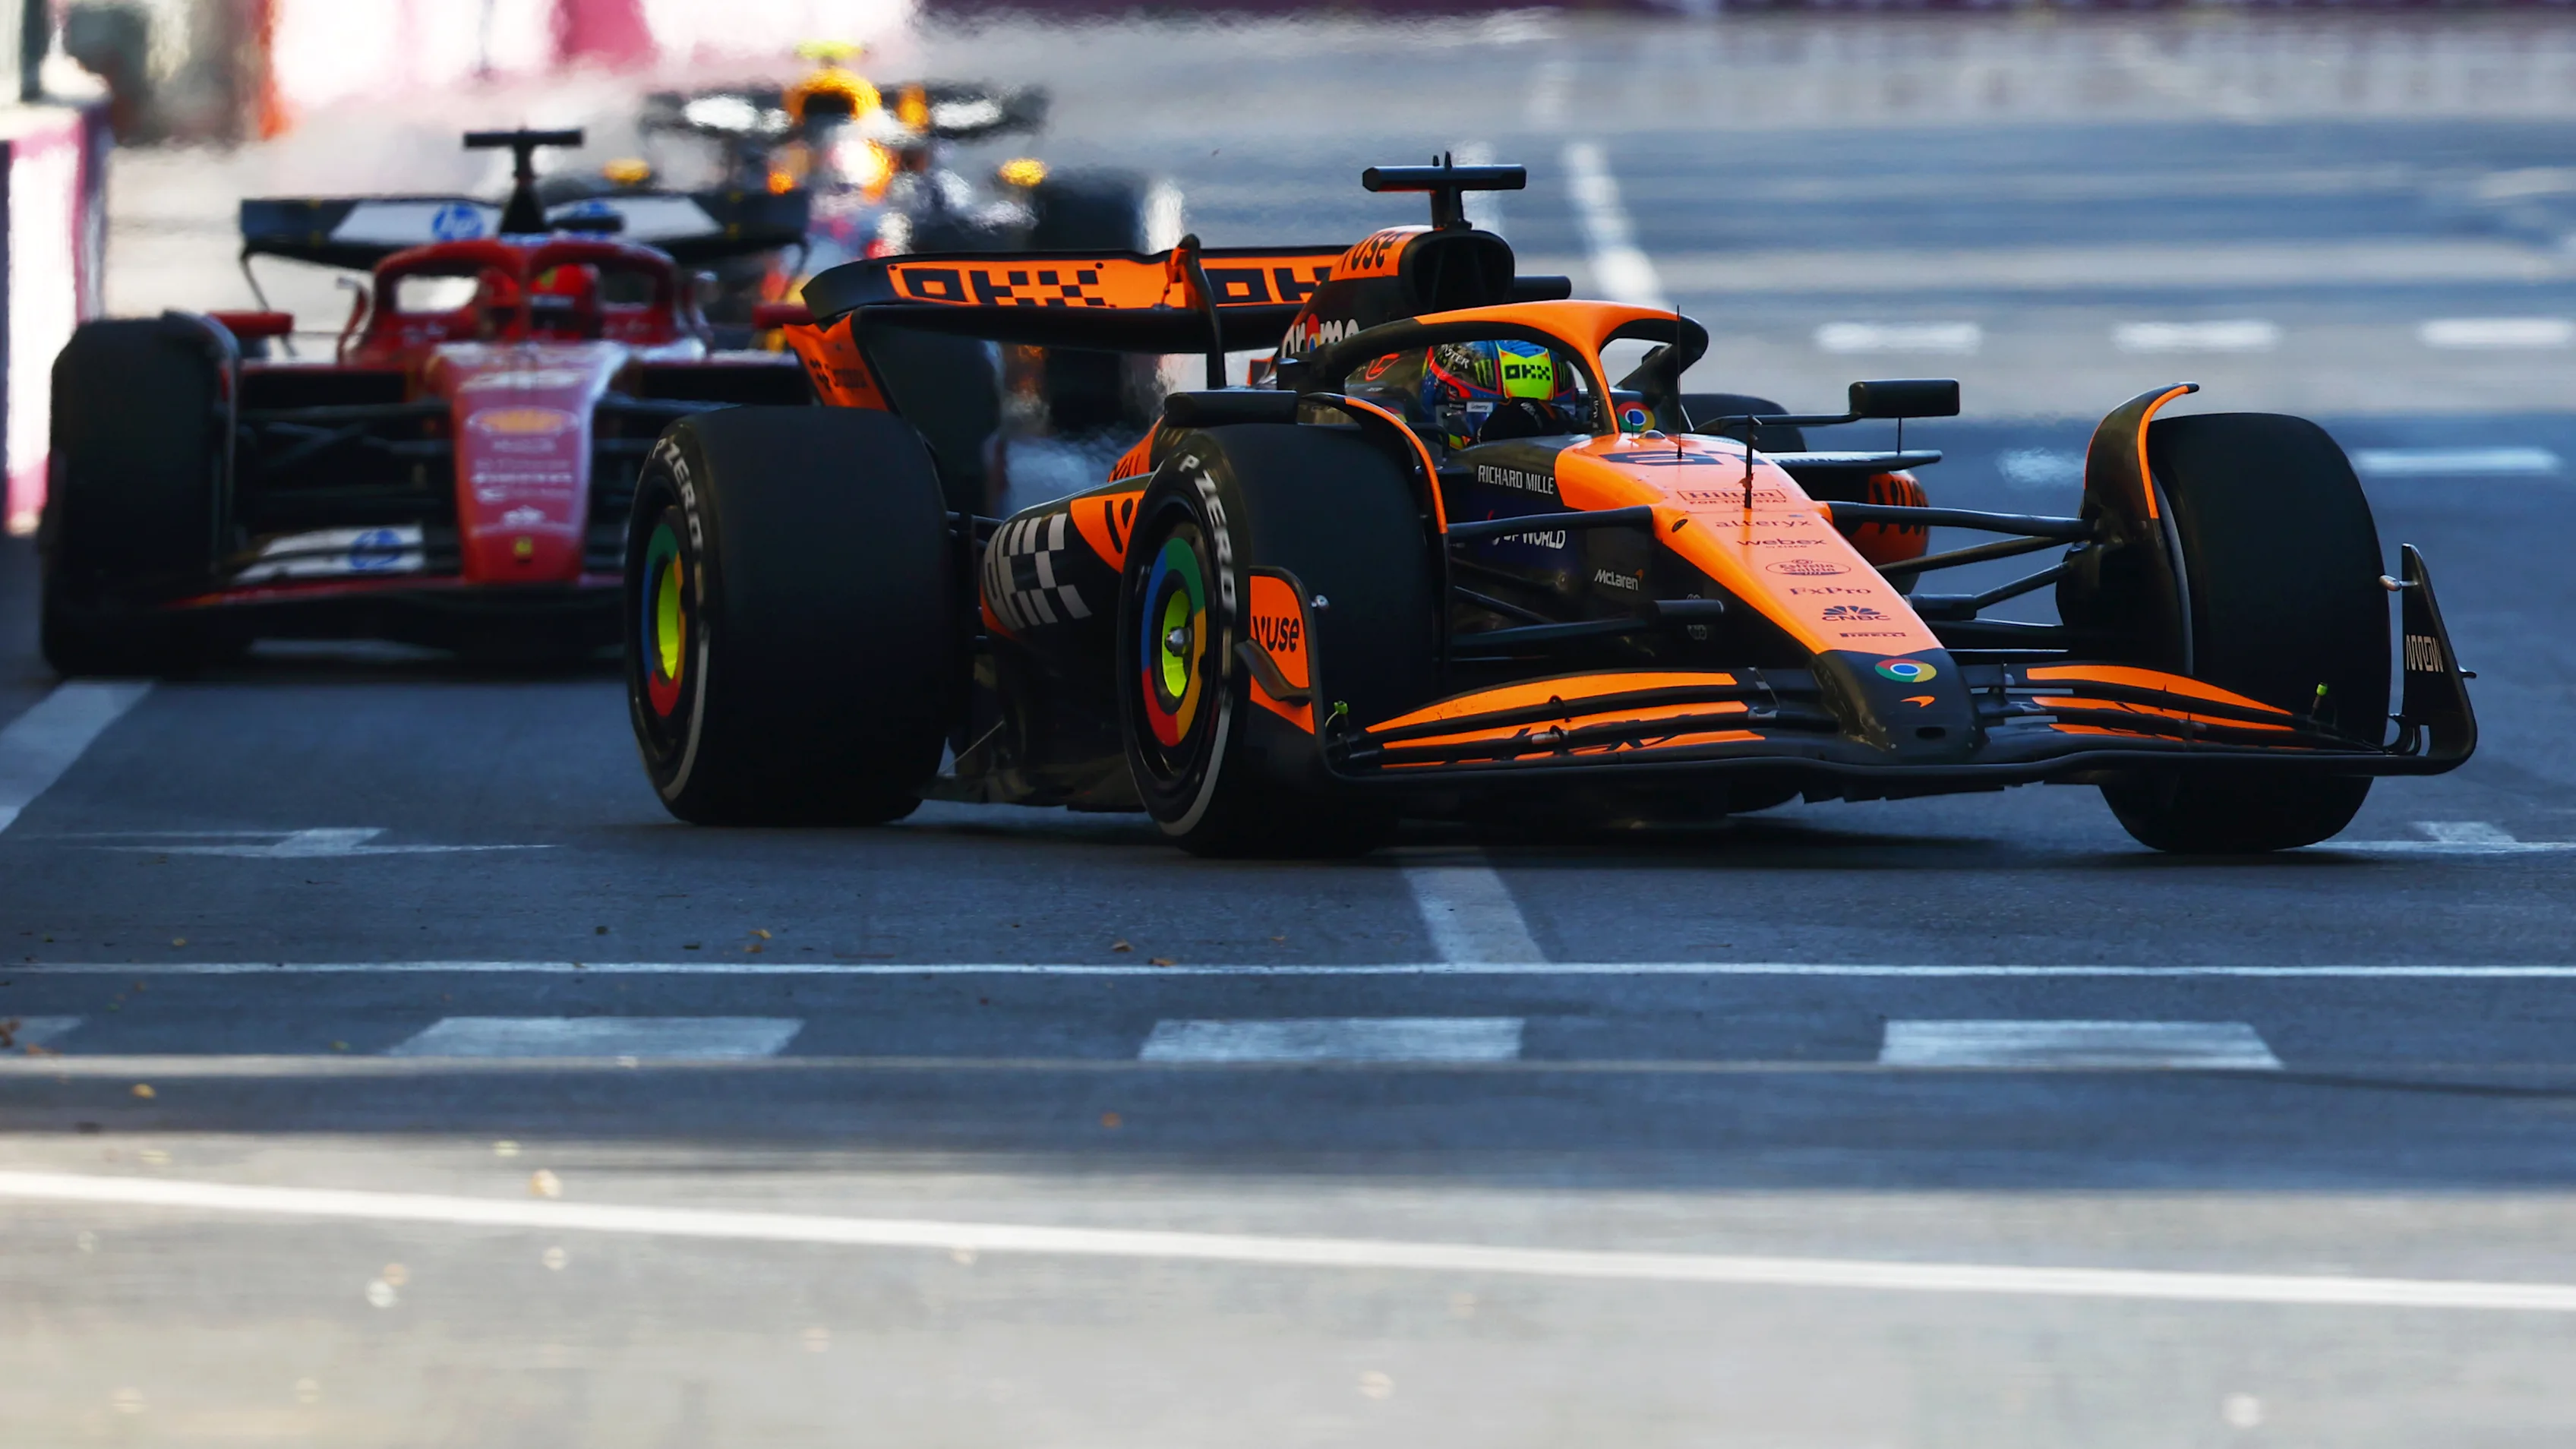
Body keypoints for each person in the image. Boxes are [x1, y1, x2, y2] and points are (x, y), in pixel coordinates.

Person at [1347, 337, 1588, 450]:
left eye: (1546, 416)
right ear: (1445, 399)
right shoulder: (1389, 446)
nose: (1521, 436)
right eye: (1490, 412)